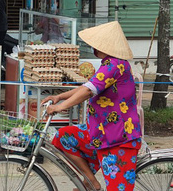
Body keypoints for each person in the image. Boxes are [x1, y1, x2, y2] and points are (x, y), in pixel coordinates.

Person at [43, 21, 141, 191]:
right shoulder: (107, 64)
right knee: (63, 137)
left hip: (118, 137)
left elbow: (88, 92)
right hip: (101, 131)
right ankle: (90, 182)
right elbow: (86, 87)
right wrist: (59, 96)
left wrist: (59, 107)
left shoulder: (115, 65)